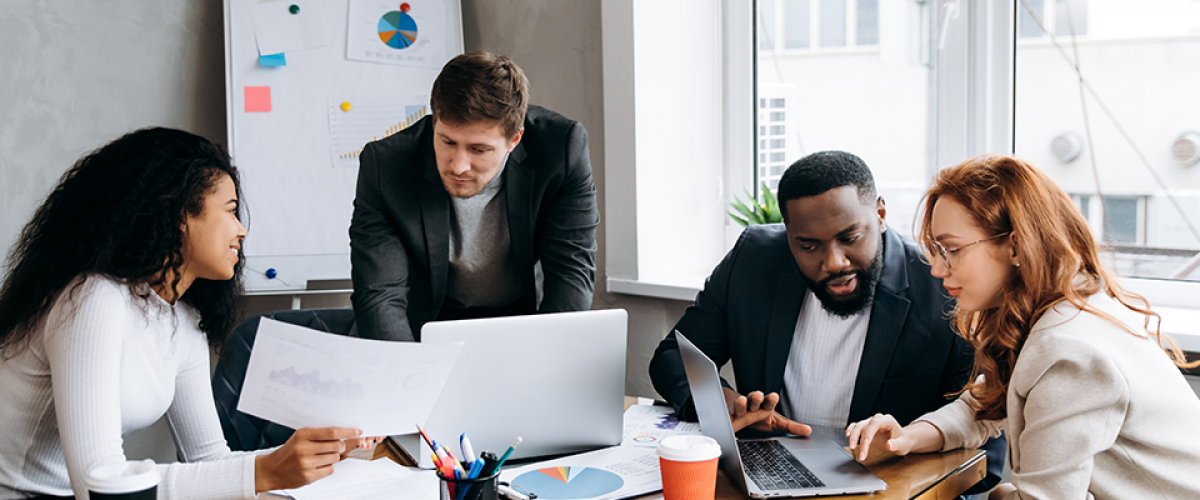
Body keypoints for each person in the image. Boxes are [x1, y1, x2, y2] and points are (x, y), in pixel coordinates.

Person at [0, 128, 370, 499]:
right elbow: (101, 482)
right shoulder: (93, 300)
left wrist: (324, 453)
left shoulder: (184, 321)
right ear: (178, 215)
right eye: (229, 210)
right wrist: (267, 472)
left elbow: (207, 459)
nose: (241, 230)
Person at [846, 154, 1200, 499]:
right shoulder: (1070, 309)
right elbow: (984, 403)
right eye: (936, 250)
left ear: (1015, 245)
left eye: (951, 249)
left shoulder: (1068, 350)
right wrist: (908, 437)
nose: (937, 269)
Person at [649, 151, 1003, 493]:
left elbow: (986, 459)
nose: (834, 262)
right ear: (788, 233)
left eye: (850, 238)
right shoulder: (754, 259)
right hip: (767, 479)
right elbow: (672, 358)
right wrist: (724, 402)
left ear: (880, 214)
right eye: (808, 245)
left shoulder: (943, 287)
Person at [350, 51, 599, 341]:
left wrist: (547, 363)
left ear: (514, 140)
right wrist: (409, 375)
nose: (458, 166)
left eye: (478, 149)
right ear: (435, 123)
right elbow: (380, 295)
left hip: (522, 321)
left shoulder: (561, 151)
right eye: (447, 141)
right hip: (423, 325)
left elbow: (571, 274)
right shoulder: (385, 165)